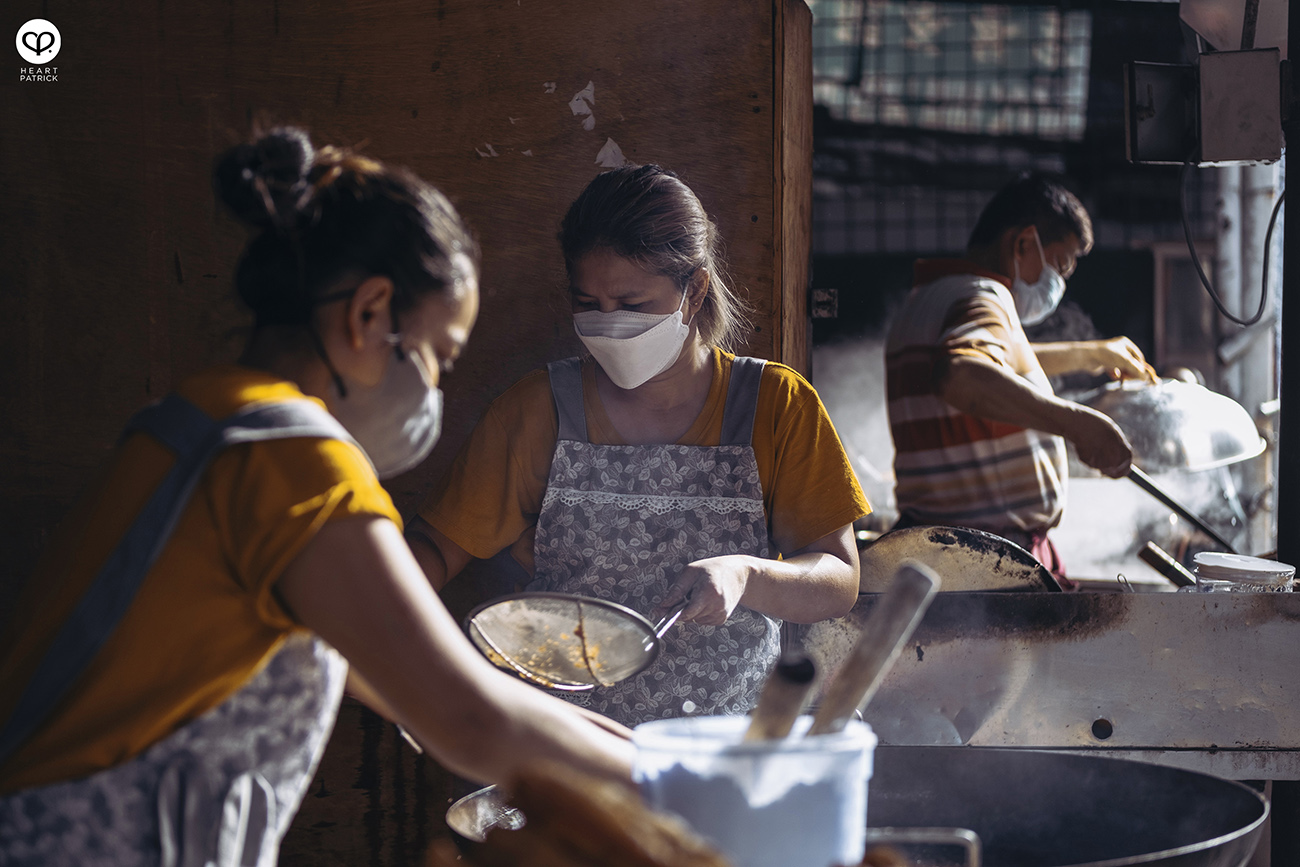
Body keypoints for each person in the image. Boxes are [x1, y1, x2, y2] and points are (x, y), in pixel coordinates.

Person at [0, 127, 631, 866]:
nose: (433, 390)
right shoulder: (293, 457)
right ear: (369, 313)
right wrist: (688, 782)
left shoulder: (195, 423)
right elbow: (467, 720)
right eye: (437, 357)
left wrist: (649, 749)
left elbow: (422, 694)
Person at [407, 165, 869, 728]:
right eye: (589, 303)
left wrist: (746, 575)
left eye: (631, 303)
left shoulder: (775, 405)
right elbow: (436, 547)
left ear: (693, 290)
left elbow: (839, 579)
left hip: (720, 743)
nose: (608, 324)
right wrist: (366, 623)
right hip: (566, 741)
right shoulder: (538, 410)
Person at [884, 172, 1157, 586]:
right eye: (1060, 266)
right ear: (1024, 242)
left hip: (944, 551)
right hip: (990, 564)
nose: (1059, 284)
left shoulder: (928, 299)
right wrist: (1078, 424)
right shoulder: (983, 296)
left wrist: (1091, 354)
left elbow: (997, 364)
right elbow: (961, 375)